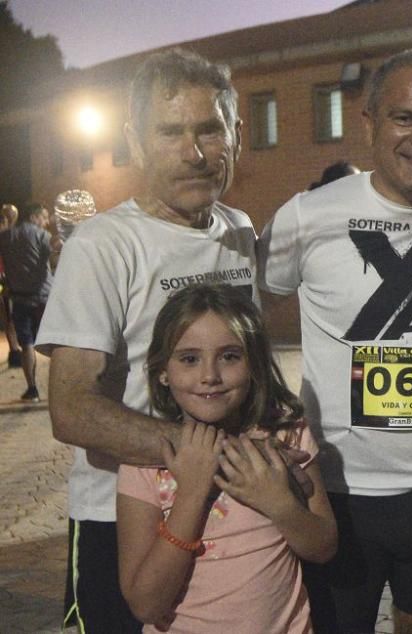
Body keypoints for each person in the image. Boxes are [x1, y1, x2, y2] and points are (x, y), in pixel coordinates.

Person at [257, 49, 412, 633]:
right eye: (405, 117)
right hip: (336, 492)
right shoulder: (307, 216)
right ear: (368, 123)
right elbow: (242, 319)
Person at [35, 48, 258, 633]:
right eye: (171, 132)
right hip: (118, 515)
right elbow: (71, 409)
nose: (194, 152)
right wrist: (202, 454)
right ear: (136, 141)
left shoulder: (237, 230)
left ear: (235, 134)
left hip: (226, 507)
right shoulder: (103, 245)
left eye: (209, 130)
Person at [116, 284, 336, 632]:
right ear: (162, 370)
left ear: (254, 364)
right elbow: (145, 603)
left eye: (229, 356)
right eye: (189, 358)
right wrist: (190, 493)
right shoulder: (147, 462)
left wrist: (279, 503)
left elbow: (323, 547)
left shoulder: (286, 436)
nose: (210, 376)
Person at [0, 203, 54, 400]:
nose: (47, 222)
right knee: (55, 345)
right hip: (44, 298)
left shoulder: (5, 237)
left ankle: (32, 389)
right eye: (44, 217)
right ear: (34, 217)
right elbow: (55, 258)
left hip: (20, 298)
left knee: (27, 344)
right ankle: (59, 388)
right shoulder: (43, 236)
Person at [0, 203, 22, 368]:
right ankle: (14, 351)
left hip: (7, 279)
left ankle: (15, 350)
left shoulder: (13, 235)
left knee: (9, 314)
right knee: (8, 313)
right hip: (3, 280)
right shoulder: (8, 236)